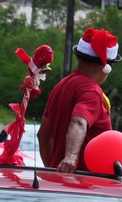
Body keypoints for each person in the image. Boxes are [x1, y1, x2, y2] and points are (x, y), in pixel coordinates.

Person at [38, 28, 120, 173]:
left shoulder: (61, 86)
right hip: (88, 187)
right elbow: (79, 122)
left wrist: (53, 171)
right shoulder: (91, 92)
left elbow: (43, 136)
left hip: (61, 187)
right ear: (107, 67)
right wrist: (71, 157)